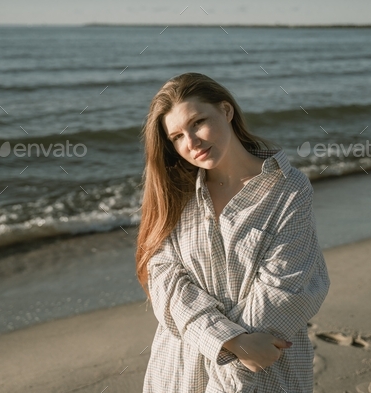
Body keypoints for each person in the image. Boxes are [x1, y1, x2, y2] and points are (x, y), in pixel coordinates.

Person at [136, 72, 330, 393]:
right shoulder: (176, 193)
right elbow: (165, 282)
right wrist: (227, 340)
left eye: (198, 122)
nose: (191, 142)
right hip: (179, 368)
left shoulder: (288, 190)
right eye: (177, 136)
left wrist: (229, 376)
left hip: (264, 374)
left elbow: (282, 294)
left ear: (226, 111)